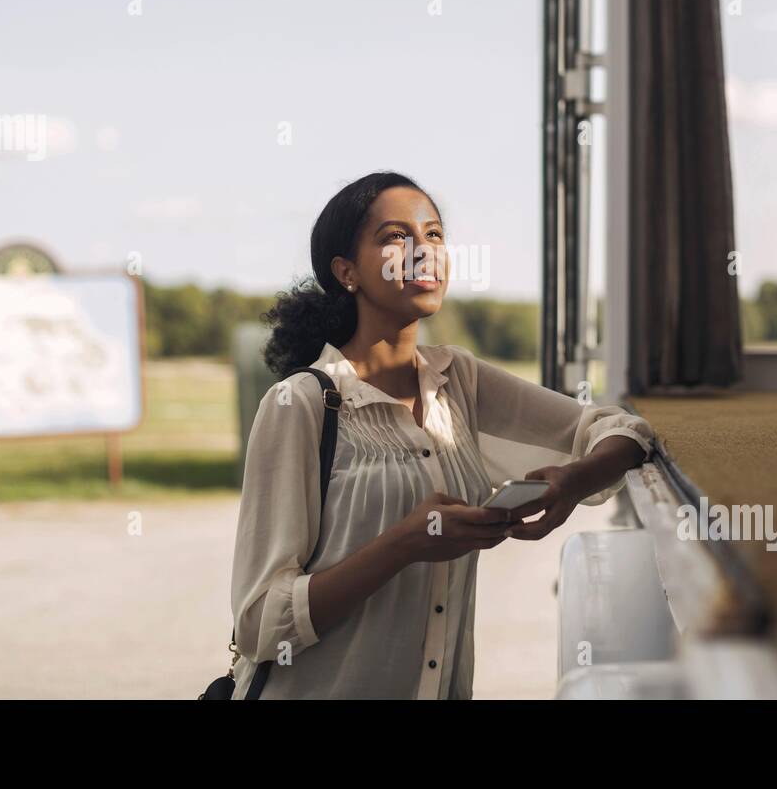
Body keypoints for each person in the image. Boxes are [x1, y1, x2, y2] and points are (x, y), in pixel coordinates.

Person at [229, 171, 655, 698]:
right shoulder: (302, 403)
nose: (422, 251)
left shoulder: (460, 380)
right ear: (347, 272)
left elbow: (621, 430)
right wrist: (404, 543)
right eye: (393, 237)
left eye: (433, 235)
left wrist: (572, 482)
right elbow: (259, 623)